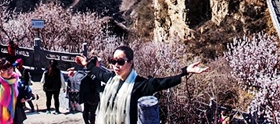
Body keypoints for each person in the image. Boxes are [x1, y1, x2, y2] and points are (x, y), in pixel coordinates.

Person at [76, 45, 209, 124]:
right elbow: (97, 72)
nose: (116, 65)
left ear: (131, 62)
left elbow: (162, 83)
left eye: (120, 62)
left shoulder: (139, 84)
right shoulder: (111, 79)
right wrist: (86, 64)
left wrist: (184, 72)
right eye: (112, 61)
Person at [79, 57, 102, 124]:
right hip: (93, 96)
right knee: (92, 113)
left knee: (85, 110)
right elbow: (98, 88)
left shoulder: (85, 72)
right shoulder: (96, 74)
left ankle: (86, 122)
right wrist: (104, 87)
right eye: (98, 62)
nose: (99, 64)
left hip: (86, 95)